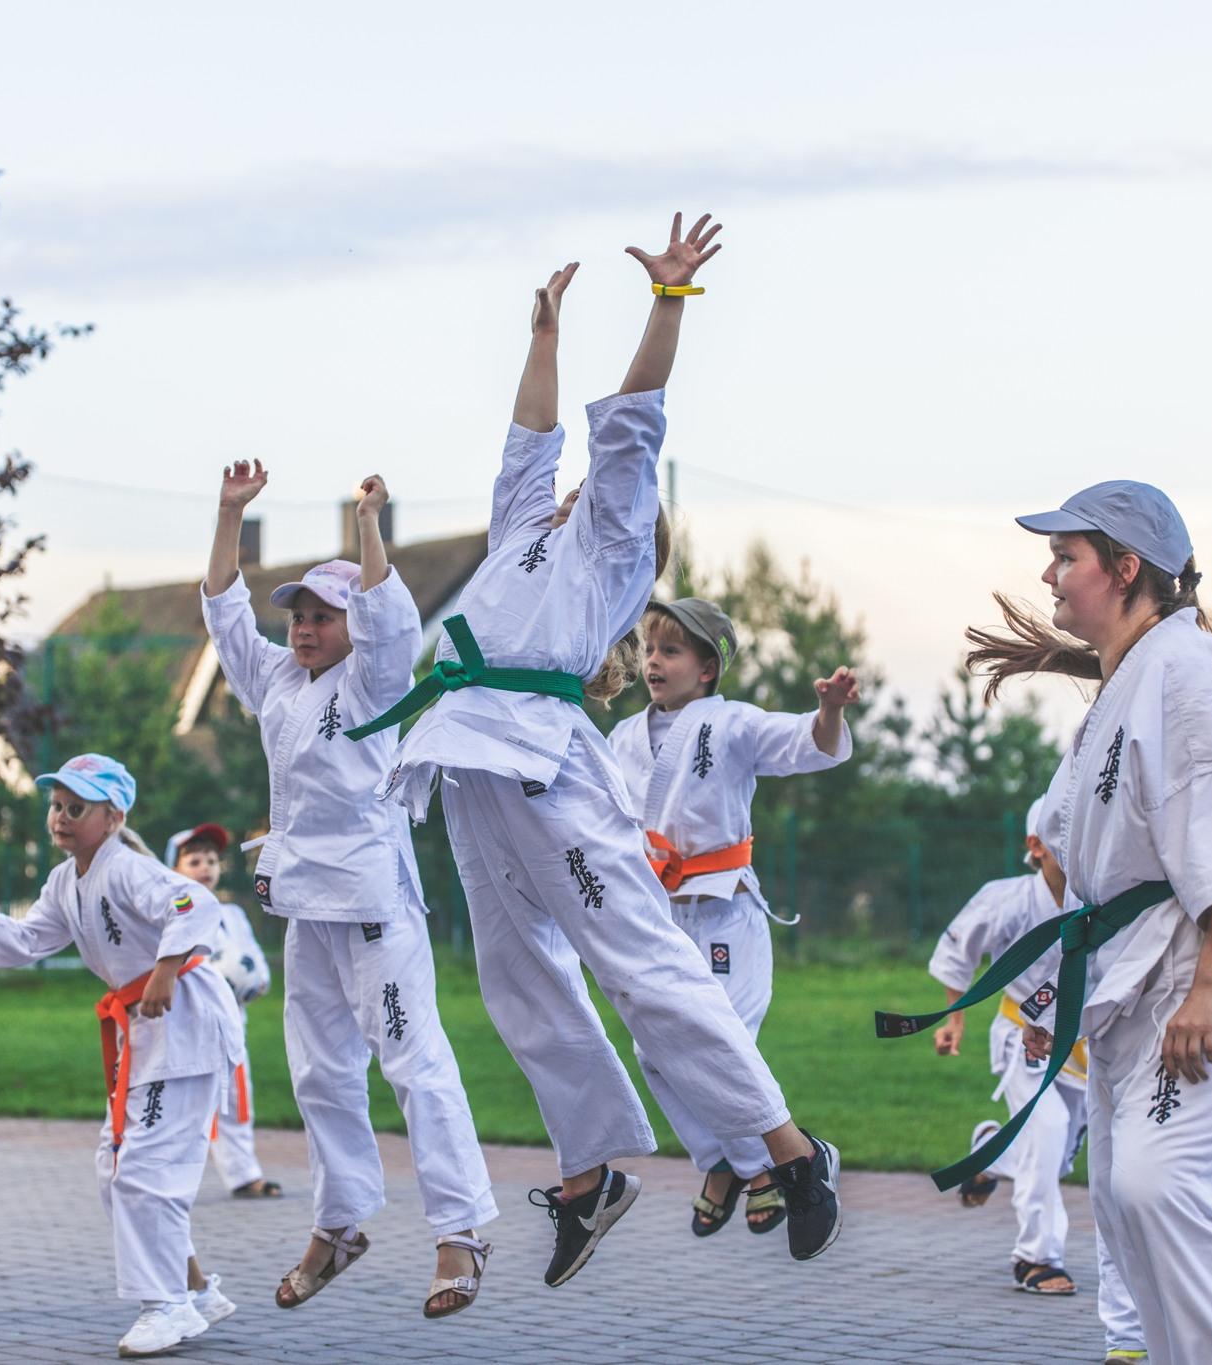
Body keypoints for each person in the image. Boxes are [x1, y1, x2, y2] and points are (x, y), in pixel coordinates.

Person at [361, 215, 843, 1288]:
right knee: (516, 978)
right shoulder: (522, 531)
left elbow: (628, 421)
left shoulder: (613, 541)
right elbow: (529, 440)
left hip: (545, 762)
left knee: (642, 966)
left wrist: (666, 303)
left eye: (597, 484)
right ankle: (588, 1178)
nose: (577, 485)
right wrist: (543, 336)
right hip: (466, 755)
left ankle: (789, 1151)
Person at [938, 480, 1212, 1363]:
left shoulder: (1198, 673)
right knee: (1128, 1205)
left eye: (1066, 556)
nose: (1049, 573)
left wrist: (1210, 988)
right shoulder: (1129, 687)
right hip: (1147, 990)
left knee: (1170, 1193)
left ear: (1124, 569)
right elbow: (1092, 882)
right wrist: (1062, 1008)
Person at [203, 469, 497, 1318]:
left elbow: (389, 617)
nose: (303, 627)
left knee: (415, 1063)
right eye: (297, 615)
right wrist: (229, 514)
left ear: (351, 627)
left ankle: (461, 1230)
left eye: (321, 616)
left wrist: (369, 525)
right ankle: (338, 1223)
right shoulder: (278, 683)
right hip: (306, 909)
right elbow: (225, 609)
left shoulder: (374, 680)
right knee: (321, 1075)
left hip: (374, 908)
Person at [0, 755, 242, 1358]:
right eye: (56, 806)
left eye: (76, 808)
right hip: (144, 1028)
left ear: (112, 818)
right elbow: (30, 939)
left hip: (183, 1020)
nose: (61, 817)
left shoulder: (128, 868)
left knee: (144, 1170)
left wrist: (164, 970)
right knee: (116, 1168)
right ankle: (195, 1291)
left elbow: (194, 903)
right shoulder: (66, 881)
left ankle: (166, 1306)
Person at [606, 597, 855, 1237]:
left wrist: (828, 711)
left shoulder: (733, 723)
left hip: (724, 911)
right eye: (650, 650)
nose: (653, 662)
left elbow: (808, 745)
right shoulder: (622, 739)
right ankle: (729, 1162)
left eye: (670, 651)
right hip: (657, 917)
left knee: (725, 1045)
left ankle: (753, 1169)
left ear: (708, 668)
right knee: (653, 1052)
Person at [927, 798, 1089, 1298]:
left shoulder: (1100, 898)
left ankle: (988, 1154)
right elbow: (957, 953)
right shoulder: (1007, 900)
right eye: (1062, 841)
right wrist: (954, 1019)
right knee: (1049, 1130)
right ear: (1035, 846)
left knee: (1055, 1156)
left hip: (1085, 1041)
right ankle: (1037, 1257)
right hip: (1024, 1034)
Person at [163, 823, 280, 1199]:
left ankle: (244, 1174)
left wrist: (257, 980)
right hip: (185, 1026)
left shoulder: (232, 914)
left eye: (211, 860)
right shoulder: (173, 910)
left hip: (230, 1024)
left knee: (236, 1098)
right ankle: (168, 1177)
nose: (205, 867)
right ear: (174, 869)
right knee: (180, 1103)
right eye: (194, 860)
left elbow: (251, 958)